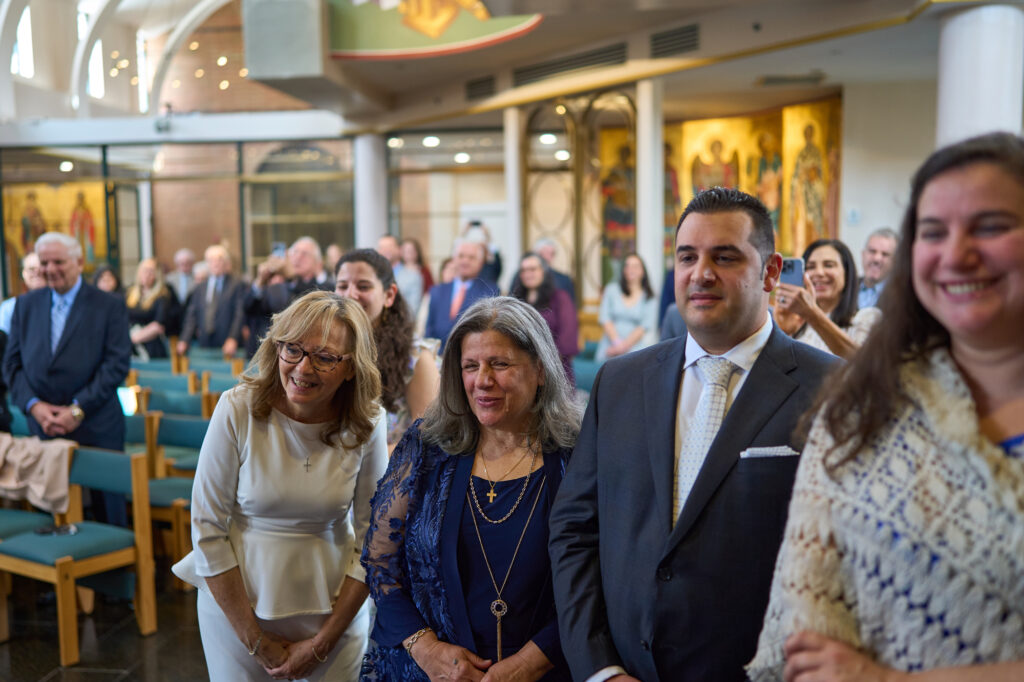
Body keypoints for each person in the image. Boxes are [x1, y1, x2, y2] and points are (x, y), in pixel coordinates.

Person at [748, 132, 1024, 682]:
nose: (956, 253)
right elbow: (807, 615)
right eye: (932, 231)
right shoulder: (858, 408)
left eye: (990, 226)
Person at [549, 187, 837, 682]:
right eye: (687, 257)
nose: (701, 273)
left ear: (771, 271)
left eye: (724, 257)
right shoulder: (619, 383)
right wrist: (601, 668)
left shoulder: (831, 388)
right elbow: (575, 529)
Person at [172, 291, 388, 681]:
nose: (303, 369)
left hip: (334, 612)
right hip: (238, 610)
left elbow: (374, 538)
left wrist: (324, 641)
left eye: (324, 357)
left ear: (351, 368)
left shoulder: (368, 422)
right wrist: (254, 639)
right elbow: (207, 528)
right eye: (292, 350)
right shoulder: (238, 408)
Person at [362, 296, 581, 681]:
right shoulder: (426, 447)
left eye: (500, 364)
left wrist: (535, 660)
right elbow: (381, 566)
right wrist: (427, 649)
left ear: (542, 370)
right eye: (470, 366)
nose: (482, 380)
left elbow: (603, 579)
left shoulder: (579, 454)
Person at [3, 232, 131, 524]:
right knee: (48, 515)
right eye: (44, 263)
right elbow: (11, 365)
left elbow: (116, 364)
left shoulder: (108, 305)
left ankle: (113, 570)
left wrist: (77, 409)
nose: (50, 269)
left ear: (79, 262)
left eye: (58, 261)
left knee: (106, 514)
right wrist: (34, 406)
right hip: (43, 424)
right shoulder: (26, 305)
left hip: (96, 424)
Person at [334, 249, 440, 448]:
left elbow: (426, 439)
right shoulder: (326, 351)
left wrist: (363, 467)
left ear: (389, 295)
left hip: (392, 474)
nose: (350, 294)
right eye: (342, 286)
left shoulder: (415, 357)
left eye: (363, 286)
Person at [774, 239, 881, 359]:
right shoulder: (798, 325)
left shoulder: (867, 318)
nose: (819, 273)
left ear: (847, 272)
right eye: (810, 267)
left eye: (829, 265)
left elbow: (862, 363)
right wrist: (782, 333)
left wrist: (812, 314)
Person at [244, 237, 334, 356]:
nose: (298, 257)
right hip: (266, 355)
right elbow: (248, 308)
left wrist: (291, 277)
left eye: (305, 254)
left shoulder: (325, 287)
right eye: (294, 252)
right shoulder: (276, 286)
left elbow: (305, 302)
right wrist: (260, 281)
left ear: (317, 263)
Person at [510, 252, 578, 386]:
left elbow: (568, 337)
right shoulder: (516, 301)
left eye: (533, 269)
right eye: (523, 270)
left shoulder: (560, 298)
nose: (528, 274)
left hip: (554, 371)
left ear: (544, 271)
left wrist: (542, 367)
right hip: (521, 370)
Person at [424, 239, 498, 350]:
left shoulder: (490, 291)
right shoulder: (437, 291)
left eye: (471, 257)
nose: (465, 261)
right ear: (453, 259)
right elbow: (429, 331)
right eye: (461, 256)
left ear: (481, 262)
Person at [177, 245, 245, 357]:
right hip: (205, 341)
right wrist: (184, 339)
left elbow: (239, 314)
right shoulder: (200, 287)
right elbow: (192, 315)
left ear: (226, 262)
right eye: (211, 260)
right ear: (207, 264)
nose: (215, 263)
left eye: (219, 259)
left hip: (228, 342)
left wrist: (233, 338)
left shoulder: (236, 284)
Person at [594, 252, 658, 362]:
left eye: (635, 266)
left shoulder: (649, 297)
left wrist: (622, 348)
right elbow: (605, 318)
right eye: (627, 265)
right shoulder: (611, 289)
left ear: (643, 271)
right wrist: (616, 343)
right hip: (609, 346)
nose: (630, 269)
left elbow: (643, 327)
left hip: (635, 349)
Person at [125, 258, 181, 360]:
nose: (146, 274)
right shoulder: (130, 293)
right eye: (143, 270)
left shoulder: (163, 295)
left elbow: (158, 325)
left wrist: (132, 339)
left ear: (157, 274)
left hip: (151, 346)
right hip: (130, 346)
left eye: (150, 271)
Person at [0, 252, 47, 334]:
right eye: (31, 269)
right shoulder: (10, 307)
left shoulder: (59, 303)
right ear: (23, 273)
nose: (37, 272)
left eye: (41, 267)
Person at [379, 235, 423, 318]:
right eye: (382, 247)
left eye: (389, 246)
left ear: (399, 249)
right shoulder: (374, 277)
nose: (385, 250)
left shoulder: (413, 276)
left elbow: (412, 312)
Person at [857, 227, 899, 308]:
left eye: (885, 254)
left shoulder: (901, 295)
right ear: (863, 254)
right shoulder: (846, 288)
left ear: (895, 261)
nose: (877, 259)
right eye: (872, 251)